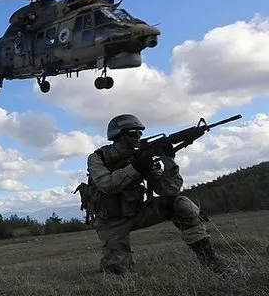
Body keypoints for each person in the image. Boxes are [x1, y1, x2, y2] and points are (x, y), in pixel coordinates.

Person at [86, 114, 231, 276]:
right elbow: (107, 185)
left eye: (140, 133)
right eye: (133, 133)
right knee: (117, 272)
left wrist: (169, 162)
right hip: (111, 222)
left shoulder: (142, 157)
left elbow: (167, 190)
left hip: (137, 212)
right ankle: (111, 264)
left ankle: (210, 261)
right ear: (118, 136)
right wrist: (136, 168)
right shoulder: (98, 158)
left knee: (182, 204)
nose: (138, 137)